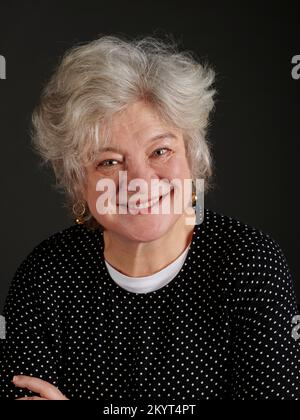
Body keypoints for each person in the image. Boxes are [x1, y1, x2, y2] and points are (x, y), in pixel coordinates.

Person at [1, 35, 299, 400]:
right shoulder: (46, 276)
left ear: (193, 158)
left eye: (160, 150)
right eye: (109, 162)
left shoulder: (248, 264)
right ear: (79, 184)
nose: (140, 181)